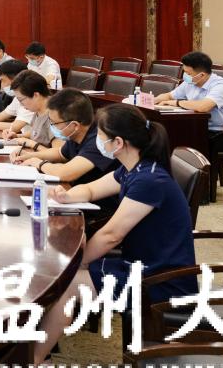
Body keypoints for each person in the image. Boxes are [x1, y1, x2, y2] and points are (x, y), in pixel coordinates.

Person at [52, 104, 197, 304]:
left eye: (100, 136)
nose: (96, 140)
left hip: (160, 281)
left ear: (118, 142)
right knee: (62, 278)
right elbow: (91, 189)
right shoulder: (132, 169)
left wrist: (79, 263)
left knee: (63, 284)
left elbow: (111, 235)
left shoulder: (149, 180)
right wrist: (67, 196)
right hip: (137, 265)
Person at [21, 90, 120, 208]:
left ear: (74, 125)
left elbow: (64, 174)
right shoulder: (75, 134)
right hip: (76, 196)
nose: (51, 126)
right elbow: (60, 153)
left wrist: (37, 162)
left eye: (54, 123)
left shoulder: (99, 141)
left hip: (97, 206)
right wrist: (29, 156)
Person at [154, 51, 223, 152]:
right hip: (201, 128)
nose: (185, 75)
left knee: (179, 138)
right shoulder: (190, 82)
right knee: (168, 134)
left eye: (188, 73)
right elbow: (169, 96)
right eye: (184, 72)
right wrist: (153, 100)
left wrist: (176, 102)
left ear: (202, 75)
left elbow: (203, 107)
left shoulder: (220, 86)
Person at [2, 70, 57, 149]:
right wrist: (17, 136)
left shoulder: (56, 114)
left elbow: (58, 153)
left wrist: (32, 144)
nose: (21, 104)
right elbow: (36, 133)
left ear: (36, 95)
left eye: (21, 100)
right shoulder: (38, 109)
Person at [0, 59, 34, 131]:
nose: (1, 86)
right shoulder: (18, 98)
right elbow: (0, 116)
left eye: (3, 80)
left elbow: (15, 127)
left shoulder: (31, 97)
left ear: (16, 79)